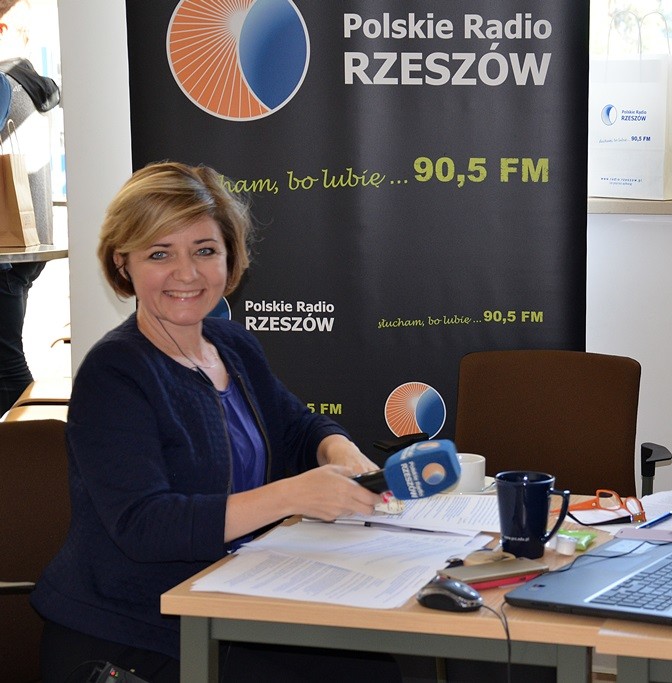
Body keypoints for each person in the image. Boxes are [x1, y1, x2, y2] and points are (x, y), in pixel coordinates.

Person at [30, 162, 403, 682]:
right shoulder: (113, 374)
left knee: (371, 670)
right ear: (124, 264)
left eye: (205, 251)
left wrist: (338, 449)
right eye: (160, 253)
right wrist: (293, 495)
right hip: (132, 633)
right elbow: (144, 526)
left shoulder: (231, 344)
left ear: (230, 256)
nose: (187, 274)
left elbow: (296, 427)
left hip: (228, 601)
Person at [0, 0, 61, 414]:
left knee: (7, 364)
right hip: (30, 243)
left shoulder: (3, 83)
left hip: (5, 253)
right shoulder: (32, 83)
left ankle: (33, 441)